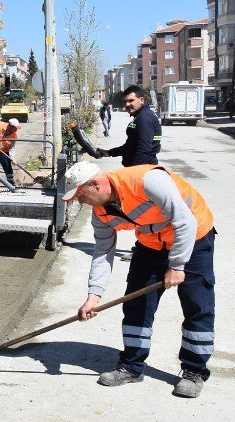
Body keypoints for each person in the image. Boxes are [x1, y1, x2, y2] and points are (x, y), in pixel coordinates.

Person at [64, 161, 216, 398]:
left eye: (81, 195)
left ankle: (194, 371)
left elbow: (185, 221)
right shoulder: (100, 213)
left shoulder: (147, 181)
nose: (79, 202)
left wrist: (177, 265)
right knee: (136, 304)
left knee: (197, 305)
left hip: (194, 238)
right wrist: (93, 296)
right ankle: (132, 366)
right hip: (151, 245)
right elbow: (103, 252)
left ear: (95, 184)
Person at [98, 85, 160, 166]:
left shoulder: (145, 118)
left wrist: (132, 174)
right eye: (125, 101)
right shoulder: (140, 116)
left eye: (131, 100)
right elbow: (130, 146)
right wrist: (108, 153)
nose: (127, 104)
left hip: (141, 170)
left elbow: (142, 151)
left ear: (141, 100)